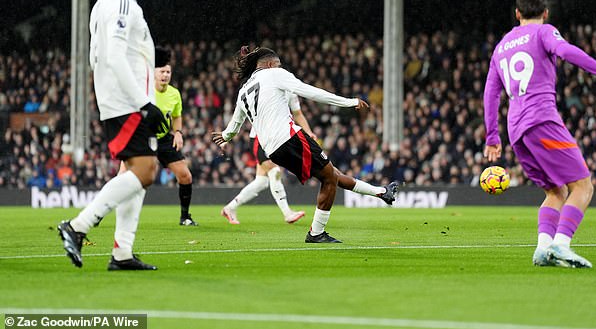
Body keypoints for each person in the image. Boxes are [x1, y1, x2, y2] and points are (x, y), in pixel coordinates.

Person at [483, 0, 596, 268]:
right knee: (583, 187)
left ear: (517, 14)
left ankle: (543, 249)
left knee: (556, 192)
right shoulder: (544, 32)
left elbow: (491, 93)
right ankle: (562, 245)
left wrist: (492, 136)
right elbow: (567, 51)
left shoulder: (501, 47)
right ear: (545, 12)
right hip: (542, 120)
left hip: (516, 131)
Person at [212, 46, 399, 243]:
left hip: (272, 150)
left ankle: (381, 192)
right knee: (329, 179)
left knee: (331, 174)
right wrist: (349, 102)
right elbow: (310, 91)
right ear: (269, 65)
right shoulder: (274, 74)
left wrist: (225, 136)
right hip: (289, 138)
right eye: (278, 64)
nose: (281, 67)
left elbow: (234, 126)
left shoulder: (243, 92)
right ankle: (316, 233)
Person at [57, 0, 167, 270]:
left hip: (120, 99)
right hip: (126, 102)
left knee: (136, 172)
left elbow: (100, 56)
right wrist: (144, 102)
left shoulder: (107, 4)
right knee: (146, 171)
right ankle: (78, 226)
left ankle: (122, 253)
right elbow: (115, 57)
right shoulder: (120, 4)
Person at [120, 62, 197, 226]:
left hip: (163, 139)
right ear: (154, 74)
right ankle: (98, 214)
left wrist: (178, 133)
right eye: (162, 71)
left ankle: (185, 217)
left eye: (168, 72)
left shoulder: (174, 94)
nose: (165, 75)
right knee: (122, 177)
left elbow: (177, 116)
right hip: (142, 139)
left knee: (185, 175)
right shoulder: (144, 91)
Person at [221, 92, 315, 225]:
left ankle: (230, 208)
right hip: (259, 139)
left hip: (274, 139)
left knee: (261, 182)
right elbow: (245, 113)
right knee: (275, 172)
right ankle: (287, 213)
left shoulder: (291, 92)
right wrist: (227, 137)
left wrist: (309, 132)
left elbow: (298, 114)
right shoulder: (268, 87)